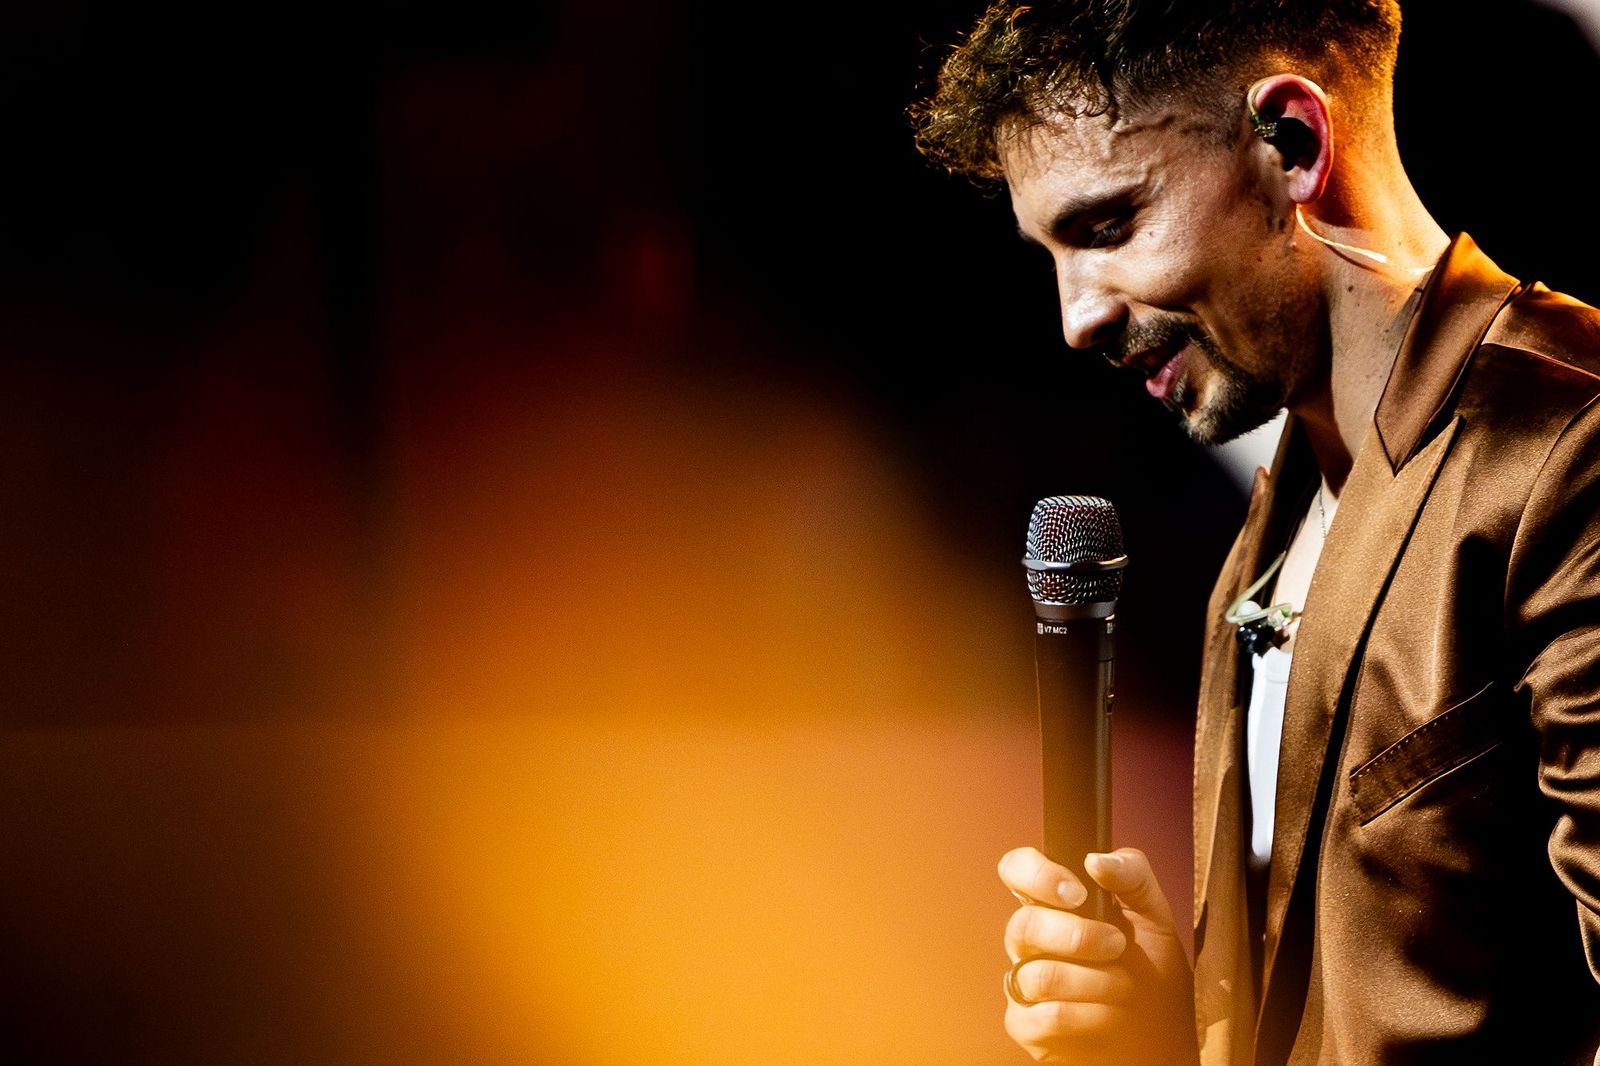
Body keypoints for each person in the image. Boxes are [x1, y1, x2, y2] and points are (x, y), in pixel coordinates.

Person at [911, 2, 1600, 1063]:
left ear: (1292, 143)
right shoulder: (1272, 529)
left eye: (1108, 226)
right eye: (1052, 254)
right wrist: (1172, 1028)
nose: (1076, 317)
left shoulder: (1567, 450)